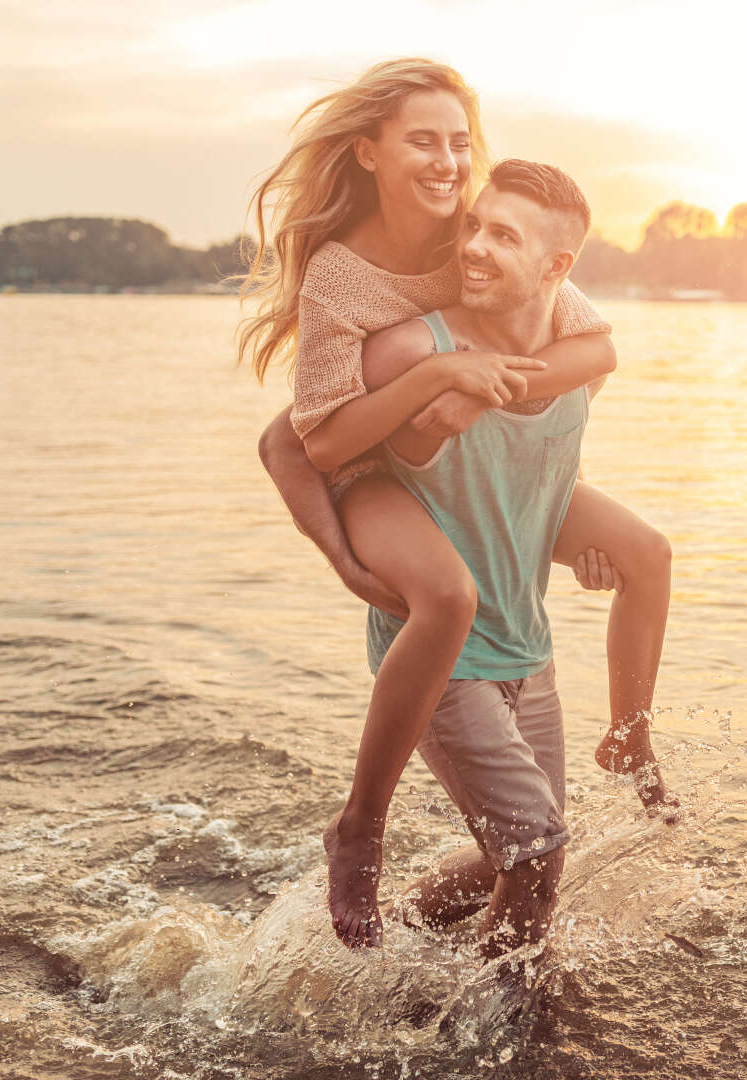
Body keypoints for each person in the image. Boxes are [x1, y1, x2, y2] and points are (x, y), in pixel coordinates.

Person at [241, 60, 673, 950]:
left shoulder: (470, 238)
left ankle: (628, 737)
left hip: (483, 507)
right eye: (422, 141)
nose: (448, 164)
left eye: (458, 142)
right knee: (447, 598)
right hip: (366, 473)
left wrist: (489, 396)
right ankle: (361, 826)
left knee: (645, 555)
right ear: (366, 151)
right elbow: (303, 441)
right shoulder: (344, 276)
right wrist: (442, 378)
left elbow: (592, 347)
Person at [313, 159, 612, 958]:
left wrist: (579, 542)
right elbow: (297, 439)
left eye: (501, 235)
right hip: (443, 650)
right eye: (474, 224)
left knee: (510, 856)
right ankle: (498, 1024)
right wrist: (342, 558)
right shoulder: (411, 344)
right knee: (537, 853)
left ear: (557, 269)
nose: (473, 245)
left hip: (528, 644)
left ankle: (373, 953)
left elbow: (532, 474)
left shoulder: (576, 355)